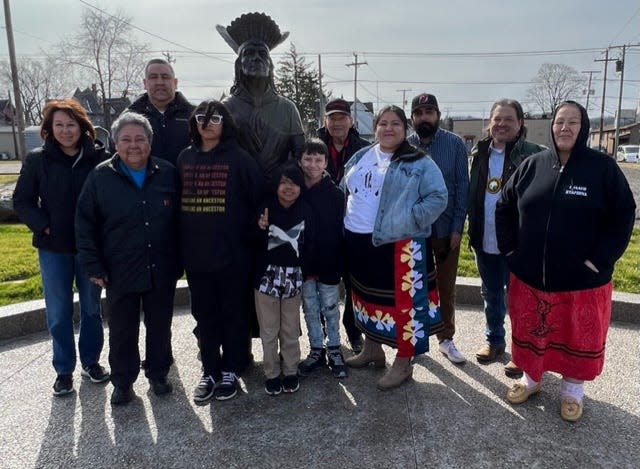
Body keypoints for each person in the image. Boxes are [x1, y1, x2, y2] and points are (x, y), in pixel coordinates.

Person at [496, 101, 635, 421]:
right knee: (534, 334)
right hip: (531, 277)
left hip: (582, 282)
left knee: (575, 338)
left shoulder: (602, 168)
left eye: (573, 122)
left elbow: (624, 215)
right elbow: (504, 206)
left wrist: (600, 260)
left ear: (583, 127)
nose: (565, 128)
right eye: (560, 122)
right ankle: (531, 380)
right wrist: (511, 251)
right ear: (551, 127)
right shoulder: (533, 165)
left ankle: (573, 392)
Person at [75, 112, 181, 406]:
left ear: (150, 141)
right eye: (126, 139)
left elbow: (181, 220)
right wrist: (93, 265)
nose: (134, 145)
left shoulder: (168, 173)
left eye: (140, 139)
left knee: (160, 326)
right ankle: (123, 380)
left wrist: (181, 259)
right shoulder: (100, 177)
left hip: (162, 266)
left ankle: (159, 373)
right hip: (119, 269)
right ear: (115, 143)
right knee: (122, 330)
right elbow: (84, 225)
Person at [342, 105, 448, 390]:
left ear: (405, 129)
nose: (388, 129)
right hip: (359, 243)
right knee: (366, 299)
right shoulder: (361, 155)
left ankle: (404, 363)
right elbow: (345, 188)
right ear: (375, 128)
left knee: (405, 306)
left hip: (401, 245)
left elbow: (438, 197)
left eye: (395, 124)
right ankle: (372, 349)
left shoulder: (419, 162)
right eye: (383, 123)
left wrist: (409, 219)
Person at [13, 99, 109, 396]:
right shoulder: (37, 160)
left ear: (82, 127)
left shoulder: (98, 159)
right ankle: (63, 369)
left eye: (71, 124)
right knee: (58, 311)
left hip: (90, 248)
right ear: (49, 129)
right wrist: (44, 224)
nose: (66, 130)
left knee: (92, 308)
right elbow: (22, 201)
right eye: (59, 125)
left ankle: (91, 362)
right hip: (53, 248)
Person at [177, 100, 264, 404]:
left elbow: (258, 202)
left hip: (234, 255)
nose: (207, 123)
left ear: (225, 124)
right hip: (197, 256)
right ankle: (210, 369)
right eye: (201, 117)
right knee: (204, 315)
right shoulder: (184, 159)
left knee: (233, 314)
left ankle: (232, 368)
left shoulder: (240, 159)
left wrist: (254, 230)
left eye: (215, 118)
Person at [467, 98, 545, 378]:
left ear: (520, 123)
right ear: (490, 122)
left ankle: (522, 351)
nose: (501, 124)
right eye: (497, 119)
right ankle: (495, 341)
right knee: (491, 294)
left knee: (520, 299)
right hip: (483, 237)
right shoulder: (479, 152)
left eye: (508, 119)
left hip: (518, 243)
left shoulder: (536, 155)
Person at [407, 93, 469, 364]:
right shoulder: (404, 145)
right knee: (414, 287)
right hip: (413, 231)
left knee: (445, 287)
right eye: (419, 113)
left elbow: (462, 188)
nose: (424, 117)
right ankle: (414, 340)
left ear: (438, 115)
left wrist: (457, 227)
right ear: (412, 118)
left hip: (446, 229)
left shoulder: (454, 144)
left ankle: (446, 338)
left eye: (429, 112)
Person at [217, 12, 305, 181]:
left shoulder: (287, 108)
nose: (256, 58)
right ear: (239, 65)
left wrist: (280, 177)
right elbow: (218, 154)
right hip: (239, 192)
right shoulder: (225, 108)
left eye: (262, 54)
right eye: (249, 53)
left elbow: (300, 156)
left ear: (271, 66)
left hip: (278, 194)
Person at [254, 164, 314, 396]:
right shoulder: (265, 208)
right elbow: (249, 239)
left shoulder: (306, 210)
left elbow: (311, 244)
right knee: (268, 330)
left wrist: (303, 270)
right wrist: (259, 228)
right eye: (284, 182)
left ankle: (290, 371)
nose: (289, 188)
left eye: (294, 183)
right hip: (265, 277)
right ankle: (271, 373)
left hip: (293, 277)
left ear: (301, 187)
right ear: (276, 185)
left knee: (289, 329)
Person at [317, 98, 370, 354]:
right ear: (325, 122)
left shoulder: (365, 150)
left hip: (353, 228)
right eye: (332, 118)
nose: (337, 123)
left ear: (351, 121)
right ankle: (325, 334)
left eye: (342, 118)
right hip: (322, 228)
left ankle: (353, 329)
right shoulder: (314, 147)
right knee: (322, 284)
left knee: (354, 285)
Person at [296, 138, 347, 379]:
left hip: (329, 261)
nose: (313, 164)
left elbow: (342, 229)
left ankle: (334, 348)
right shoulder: (294, 191)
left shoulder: (335, 193)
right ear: (300, 160)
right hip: (304, 263)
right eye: (308, 158)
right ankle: (315, 348)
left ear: (326, 162)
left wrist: (340, 260)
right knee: (309, 308)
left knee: (330, 307)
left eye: (318, 159)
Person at [128, 58, 195, 166]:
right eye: (153, 77)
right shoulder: (129, 118)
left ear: (175, 82)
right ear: (145, 83)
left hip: (186, 182)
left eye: (165, 77)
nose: (160, 82)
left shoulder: (195, 116)